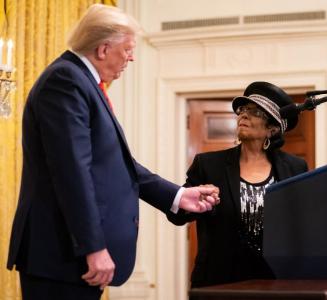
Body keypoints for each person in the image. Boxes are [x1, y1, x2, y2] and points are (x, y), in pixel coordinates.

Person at [6, 4, 219, 300]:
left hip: (68, 256)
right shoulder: (66, 81)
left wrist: (178, 196)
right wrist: (93, 246)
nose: (131, 57)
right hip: (60, 255)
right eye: (128, 49)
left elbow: (116, 165)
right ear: (104, 49)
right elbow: (72, 172)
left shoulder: (81, 82)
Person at [167, 81, 309, 287]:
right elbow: (177, 216)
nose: (243, 115)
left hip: (276, 282)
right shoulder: (208, 165)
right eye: (242, 110)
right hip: (219, 282)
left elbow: (301, 226)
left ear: (272, 129)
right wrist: (196, 202)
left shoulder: (295, 167)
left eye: (254, 112)